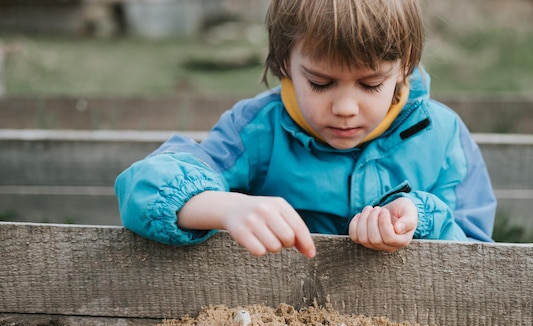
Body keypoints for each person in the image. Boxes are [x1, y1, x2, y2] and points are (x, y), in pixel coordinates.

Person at [115, 0, 497, 258]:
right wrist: (224, 206)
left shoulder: (443, 136)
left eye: (370, 85)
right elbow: (143, 187)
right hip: (277, 324)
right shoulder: (257, 130)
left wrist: (421, 219)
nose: (346, 109)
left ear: (406, 65)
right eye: (320, 83)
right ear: (285, 62)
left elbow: (482, 261)